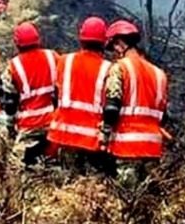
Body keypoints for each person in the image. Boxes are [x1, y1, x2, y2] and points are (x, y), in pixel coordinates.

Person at [100, 20, 168, 191]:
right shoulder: (159, 74)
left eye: (113, 47)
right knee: (148, 203)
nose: (113, 53)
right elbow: (164, 115)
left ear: (120, 43)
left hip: (127, 147)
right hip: (153, 148)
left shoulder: (120, 68)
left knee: (126, 200)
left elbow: (112, 107)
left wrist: (105, 135)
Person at [48, 16, 115, 175]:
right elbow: (110, 106)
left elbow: (55, 94)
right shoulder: (109, 69)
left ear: (81, 38)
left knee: (66, 182)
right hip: (91, 139)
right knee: (89, 186)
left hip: (63, 134)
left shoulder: (64, 61)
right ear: (104, 42)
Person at [1, 22, 61, 167]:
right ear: (38, 39)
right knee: (54, 165)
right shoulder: (53, 56)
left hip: (30, 126)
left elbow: (10, 101)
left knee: (18, 167)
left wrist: (10, 127)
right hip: (54, 122)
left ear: (17, 43)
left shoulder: (13, 66)